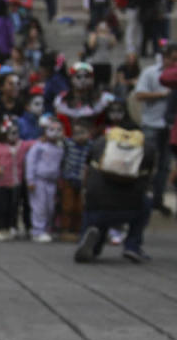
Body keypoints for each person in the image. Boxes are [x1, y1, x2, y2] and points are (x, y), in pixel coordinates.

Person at [74, 128, 156, 263]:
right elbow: (150, 178)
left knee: (94, 208)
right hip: (131, 207)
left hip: (97, 205)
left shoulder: (99, 143)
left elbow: (86, 171)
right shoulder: (146, 147)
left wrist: (85, 191)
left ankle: (91, 243)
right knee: (146, 201)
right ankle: (132, 246)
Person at [133, 43, 177, 216]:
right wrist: (162, 95)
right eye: (172, 59)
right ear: (165, 58)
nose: (174, 62)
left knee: (164, 166)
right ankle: (139, 199)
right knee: (146, 163)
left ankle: (157, 200)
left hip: (169, 127)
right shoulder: (151, 73)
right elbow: (139, 95)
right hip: (152, 123)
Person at [0, 115, 27, 240]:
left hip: (15, 182)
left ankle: (11, 227)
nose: (14, 135)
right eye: (11, 133)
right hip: (0, 182)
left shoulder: (20, 145)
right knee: (0, 206)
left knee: (13, 207)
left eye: (15, 133)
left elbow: (31, 144)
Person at [25, 115, 65, 243]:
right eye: (51, 130)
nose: (55, 133)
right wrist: (30, 180)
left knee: (50, 207)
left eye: (58, 130)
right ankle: (37, 230)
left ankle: (46, 229)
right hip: (39, 180)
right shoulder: (39, 146)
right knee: (39, 207)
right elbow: (30, 162)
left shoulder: (60, 147)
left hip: (52, 182)